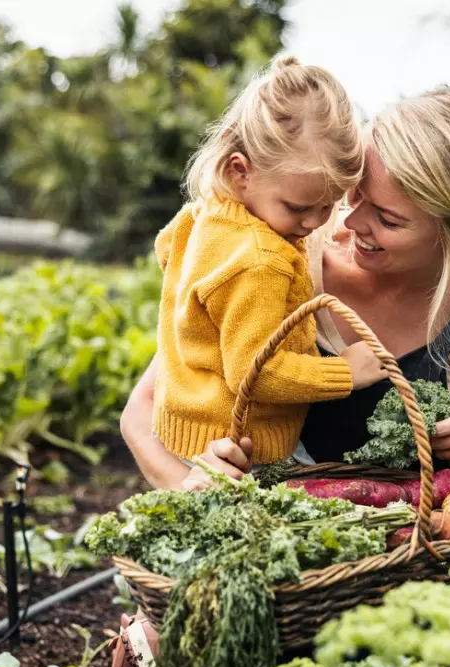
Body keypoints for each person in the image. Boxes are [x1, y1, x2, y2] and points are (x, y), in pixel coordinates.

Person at [95, 84, 450, 667]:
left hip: (412, 583)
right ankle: (145, 654)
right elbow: (142, 411)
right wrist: (189, 486)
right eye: (355, 195)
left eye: (388, 219)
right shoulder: (284, 250)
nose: (349, 223)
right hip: (279, 586)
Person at [148, 53, 387, 487]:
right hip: (240, 445)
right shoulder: (261, 260)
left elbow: (167, 251)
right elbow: (255, 373)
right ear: (241, 171)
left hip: (187, 424)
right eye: (298, 207)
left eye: (328, 206)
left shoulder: (204, 216)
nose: (316, 223)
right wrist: (346, 373)